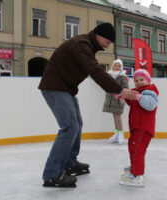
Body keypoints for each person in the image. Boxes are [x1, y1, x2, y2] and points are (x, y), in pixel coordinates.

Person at [38, 22, 138, 188]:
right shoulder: (81, 45)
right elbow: (95, 70)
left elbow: (94, 70)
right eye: (107, 42)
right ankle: (52, 174)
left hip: (65, 89)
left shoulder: (87, 46)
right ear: (99, 35)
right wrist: (119, 89)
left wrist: (114, 90)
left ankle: (69, 163)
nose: (107, 47)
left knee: (77, 125)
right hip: (55, 88)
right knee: (69, 127)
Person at [118, 69, 159, 187]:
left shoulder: (150, 91)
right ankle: (134, 168)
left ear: (148, 80)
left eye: (142, 80)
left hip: (144, 128)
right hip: (136, 127)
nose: (138, 82)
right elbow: (133, 103)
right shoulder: (138, 91)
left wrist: (139, 97)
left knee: (138, 151)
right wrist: (124, 97)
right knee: (132, 148)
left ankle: (137, 175)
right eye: (136, 80)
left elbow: (150, 105)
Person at [103, 59, 128, 145]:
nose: (117, 67)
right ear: (112, 66)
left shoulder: (122, 77)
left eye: (119, 66)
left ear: (121, 68)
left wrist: (119, 94)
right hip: (111, 99)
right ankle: (117, 134)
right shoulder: (109, 75)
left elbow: (126, 88)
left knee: (118, 117)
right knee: (114, 117)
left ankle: (121, 134)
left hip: (118, 100)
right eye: (115, 65)